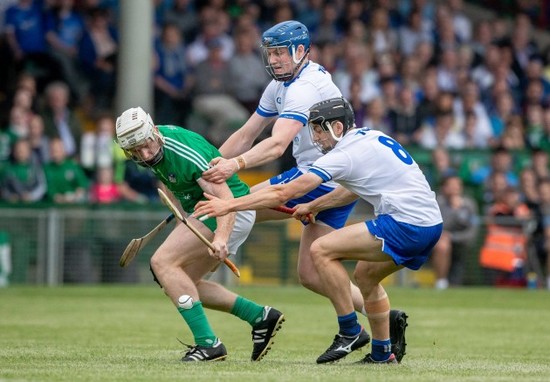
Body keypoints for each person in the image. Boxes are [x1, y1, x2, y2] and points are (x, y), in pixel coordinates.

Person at [194, 97, 443, 364]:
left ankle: (349, 331)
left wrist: (229, 205)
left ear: (337, 127)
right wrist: (314, 205)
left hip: (405, 224)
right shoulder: (368, 136)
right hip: (430, 225)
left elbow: (282, 193)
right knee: (365, 277)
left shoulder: (343, 154)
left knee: (321, 250)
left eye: (319, 129)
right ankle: (382, 354)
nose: (315, 138)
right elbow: (350, 190)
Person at [201, 19, 370, 323]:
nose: (274, 59)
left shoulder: (305, 88)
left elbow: (277, 145)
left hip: (321, 176)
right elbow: (245, 134)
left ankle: (210, 261)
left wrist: (234, 165)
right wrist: (207, 165)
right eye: (271, 53)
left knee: (238, 207)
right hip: (338, 181)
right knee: (311, 274)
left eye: (281, 52)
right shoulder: (281, 85)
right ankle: (382, 313)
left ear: (301, 50)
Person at [114, 106, 284, 362]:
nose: (144, 154)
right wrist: (182, 219)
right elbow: (171, 184)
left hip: (229, 209)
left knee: (162, 262)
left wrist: (222, 238)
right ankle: (260, 317)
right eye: (135, 151)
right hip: (207, 210)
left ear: (153, 131)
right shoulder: (152, 152)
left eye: (145, 145)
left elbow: (225, 198)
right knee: (181, 283)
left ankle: (208, 344)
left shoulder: (182, 151)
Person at [432, 175, 479, 289]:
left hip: (461, 243)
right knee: (443, 245)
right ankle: (441, 282)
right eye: (451, 185)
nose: (455, 188)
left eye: (457, 185)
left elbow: (472, 232)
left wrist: (452, 236)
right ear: (443, 188)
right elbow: (438, 225)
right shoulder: (437, 203)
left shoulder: (469, 205)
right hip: (438, 242)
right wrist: (453, 211)